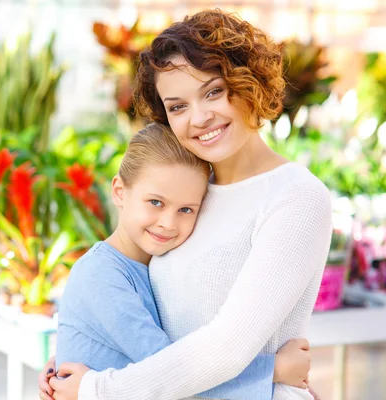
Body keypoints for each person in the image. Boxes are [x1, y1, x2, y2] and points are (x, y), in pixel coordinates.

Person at [41, 9, 332, 400]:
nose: (199, 117)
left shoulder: (295, 197)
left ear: (249, 84)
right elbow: (143, 313)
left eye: (213, 92)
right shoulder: (190, 197)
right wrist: (81, 357)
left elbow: (226, 348)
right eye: (177, 106)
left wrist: (96, 388)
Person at [48, 123, 311, 400]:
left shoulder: (154, 265)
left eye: (185, 209)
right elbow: (172, 373)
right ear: (119, 191)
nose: (168, 223)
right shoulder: (100, 274)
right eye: (156, 202)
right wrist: (274, 370)